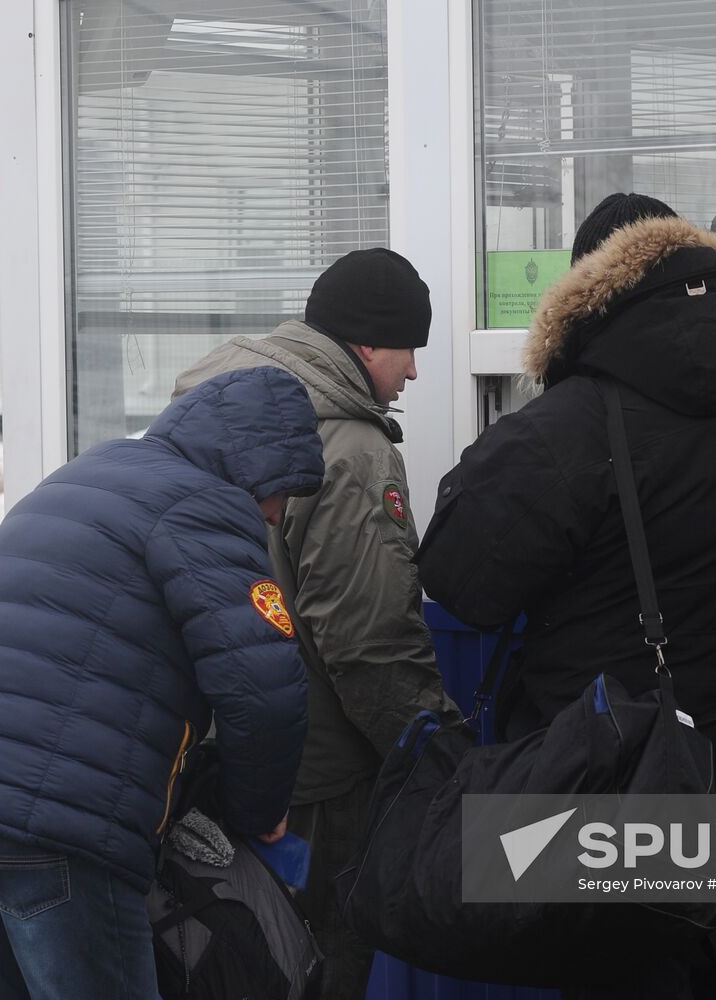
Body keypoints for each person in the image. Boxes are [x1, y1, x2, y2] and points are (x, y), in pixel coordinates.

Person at [415, 193, 716, 999]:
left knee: (614, 973)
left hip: (611, 781)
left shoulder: (568, 424)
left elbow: (465, 582)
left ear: (588, 292)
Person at [0, 366, 326, 1000]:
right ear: (259, 467)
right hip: (59, 823)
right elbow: (263, 688)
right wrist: (257, 816)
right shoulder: (207, 504)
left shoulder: (77, 479)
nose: (279, 513)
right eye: (284, 492)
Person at [173, 247, 464, 999]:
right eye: (409, 351)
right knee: (320, 954)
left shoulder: (207, 408)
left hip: (209, 748)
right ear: (368, 345)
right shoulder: (353, 449)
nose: (414, 374)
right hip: (318, 781)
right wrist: (432, 750)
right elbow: (369, 640)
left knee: (234, 945)